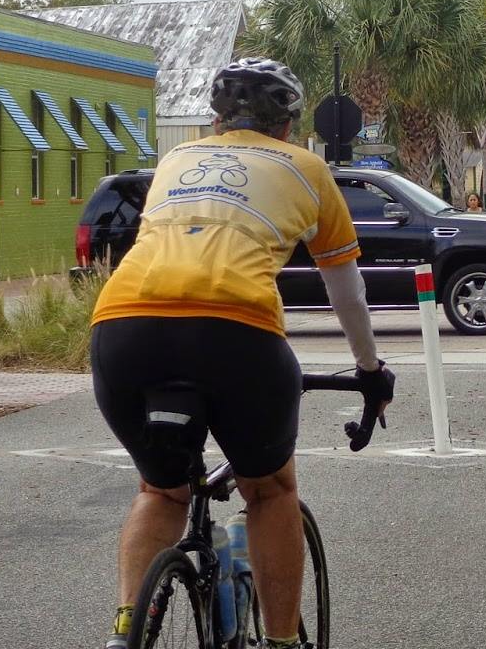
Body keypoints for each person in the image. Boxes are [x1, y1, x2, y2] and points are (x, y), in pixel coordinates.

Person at [89, 59, 395, 649]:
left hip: (123, 325)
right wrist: (369, 370)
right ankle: (280, 643)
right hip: (235, 330)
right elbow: (345, 289)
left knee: (161, 490)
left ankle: (127, 630)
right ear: (287, 126)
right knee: (270, 490)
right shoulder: (308, 168)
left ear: (215, 119)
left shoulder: (175, 161)